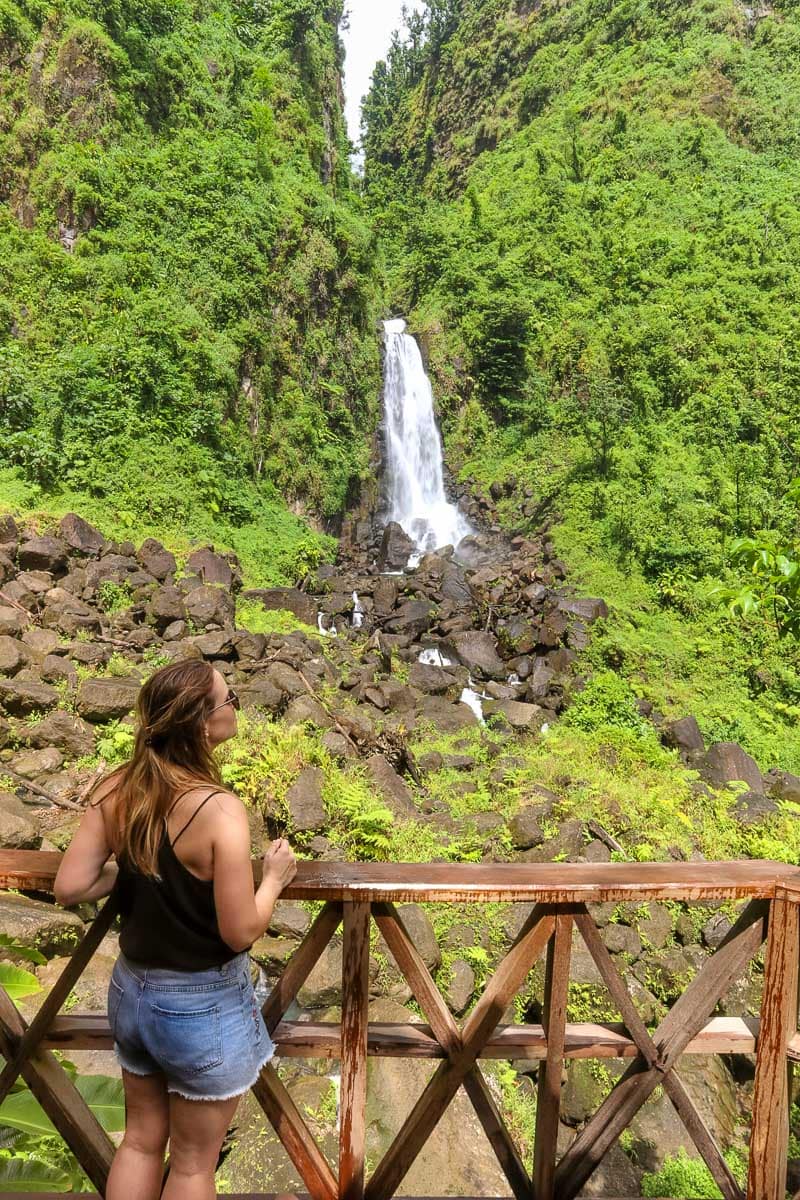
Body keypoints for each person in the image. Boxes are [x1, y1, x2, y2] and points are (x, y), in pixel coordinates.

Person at [54, 659, 297, 1200]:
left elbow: (70, 886)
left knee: (139, 1141)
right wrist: (275, 880)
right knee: (190, 1166)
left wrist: (137, 867)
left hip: (132, 993)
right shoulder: (219, 811)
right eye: (228, 697)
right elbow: (240, 932)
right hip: (200, 1007)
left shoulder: (117, 786)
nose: (235, 703)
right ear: (201, 723)